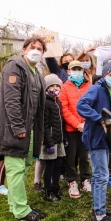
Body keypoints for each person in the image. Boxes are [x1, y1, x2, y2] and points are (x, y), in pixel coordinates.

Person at [0, 36, 47, 221]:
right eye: (32, 47)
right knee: (16, 168)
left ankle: (16, 205)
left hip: (31, 129)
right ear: (24, 50)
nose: (36, 50)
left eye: (40, 49)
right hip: (15, 129)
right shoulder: (15, 66)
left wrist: (38, 132)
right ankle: (21, 211)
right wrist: (18, 126)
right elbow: (11, 101)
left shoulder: (36, 73)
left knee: (24, 166)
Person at [77, 59, 111, 221]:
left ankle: (100, 208)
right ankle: (99, 215)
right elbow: (81, 105)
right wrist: (98, 118)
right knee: (101, 176)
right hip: (96, 139)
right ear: (105, 75)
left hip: (104, 139)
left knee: (101, 176)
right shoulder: (97, 89)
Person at [59, 60, 92, 198]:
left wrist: (85, 123)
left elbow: (92, 105)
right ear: (68, 71)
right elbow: (64, 109)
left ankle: (85, 179)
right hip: (71, 129)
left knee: (84, 156)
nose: (77, 72)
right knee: (70, 157)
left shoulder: (89, 86)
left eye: (79, 69)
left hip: (86, 128)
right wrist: (76, 124)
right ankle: (72, 181)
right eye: (74, 69)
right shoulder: (64, 88)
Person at [40, 74, 66, 202]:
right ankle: (48, 190)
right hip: (50, 142)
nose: (55, 88)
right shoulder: (45, 103)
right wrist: (49, 143)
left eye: (57, 86)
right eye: (52, 86)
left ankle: (56, 187)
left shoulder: (58, 102)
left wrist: (63, 137)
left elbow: (61, 122)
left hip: (59, 139)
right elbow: (44, 125)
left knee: (58, 164)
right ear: (46, 88)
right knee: (50, 166)